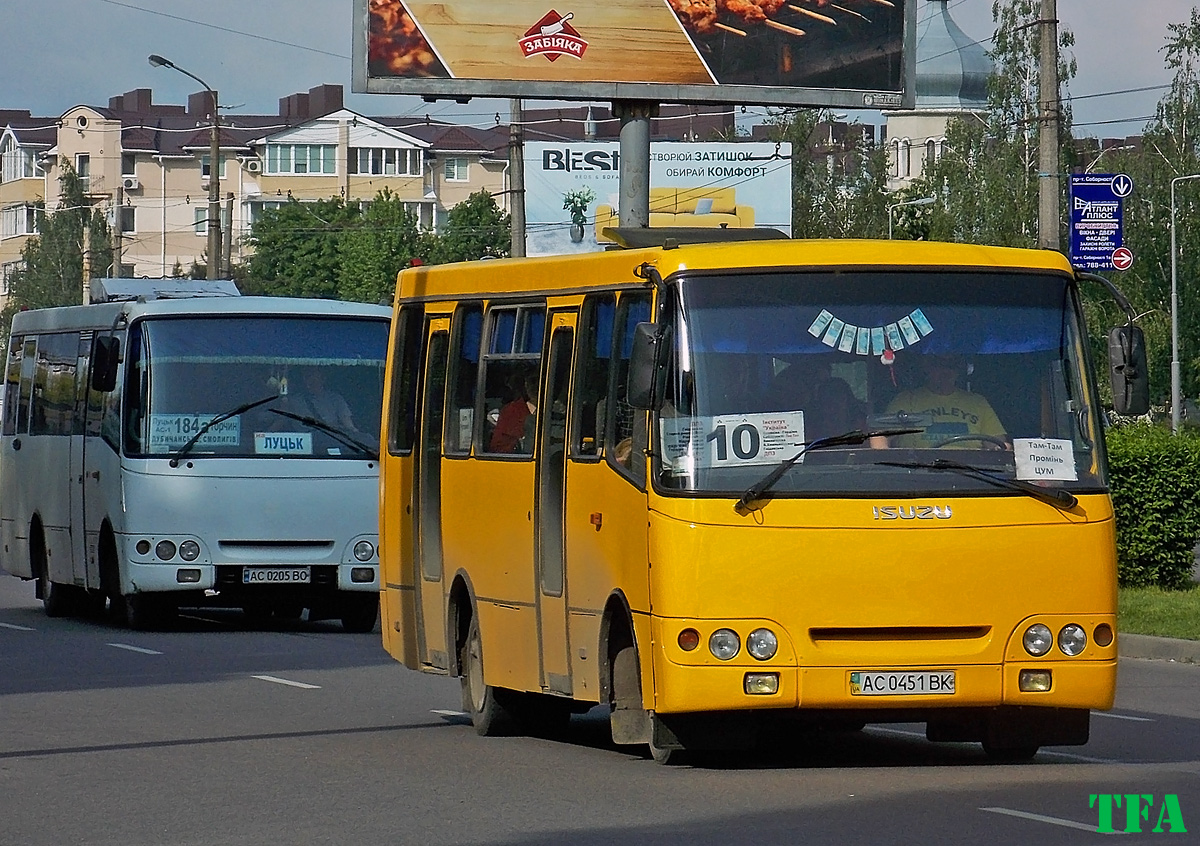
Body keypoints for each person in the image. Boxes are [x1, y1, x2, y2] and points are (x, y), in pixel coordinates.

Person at [881, 352, 1006, 448]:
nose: (945, 371)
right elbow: (879, 437)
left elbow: (998, 444)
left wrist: (1001, 450)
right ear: (927, 367)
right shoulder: (905, 400)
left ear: (959, 370)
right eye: (938, 364)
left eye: (951, 365)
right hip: (918, 474)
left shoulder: (978, 402)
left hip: (972, 475)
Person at [282, 367, 360, 435]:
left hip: (331, 440)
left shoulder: (336, 399)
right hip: (306, 445)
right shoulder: (294, 401)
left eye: (312, 375)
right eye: (306, 377)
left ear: (323, 378)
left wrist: (359, 437)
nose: (309, 380)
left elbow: (349, 426)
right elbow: (282, 420)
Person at [489, 372, 538, 453]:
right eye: (532, 381)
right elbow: (497, 447)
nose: (536, 387)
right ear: (525, 386)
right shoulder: (511, 411)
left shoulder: (560, 412)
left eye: (540, 382)